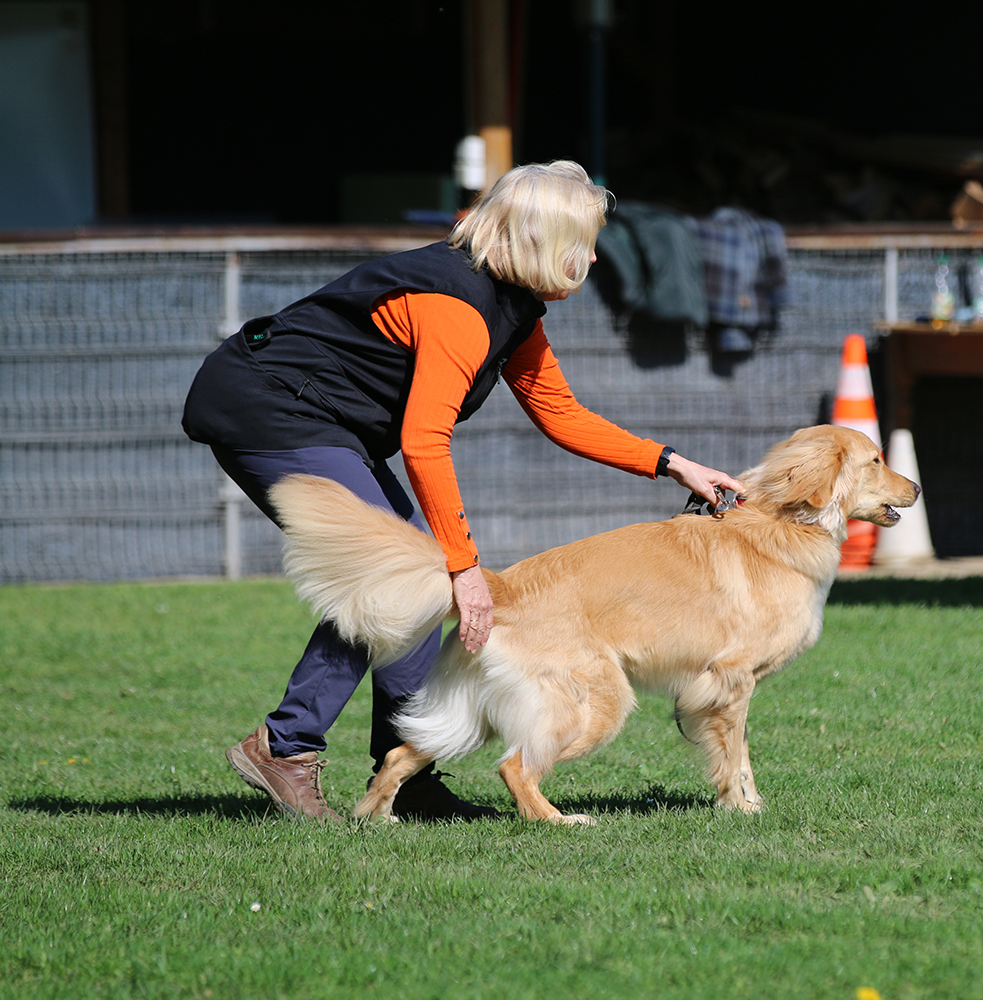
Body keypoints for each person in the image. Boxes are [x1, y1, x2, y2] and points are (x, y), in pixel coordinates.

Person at [182, 160, 744, 822]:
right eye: (584, 243)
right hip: (269, 407)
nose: (593, 258)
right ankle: (286, 746)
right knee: (408, 578)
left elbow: (562, 414)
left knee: (410, 584)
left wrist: (673, 464)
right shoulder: (456, 305)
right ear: (540, 241)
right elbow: (424, 441)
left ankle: (406, 779)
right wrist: (463, 565)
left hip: (322, 420)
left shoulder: (512, 309)